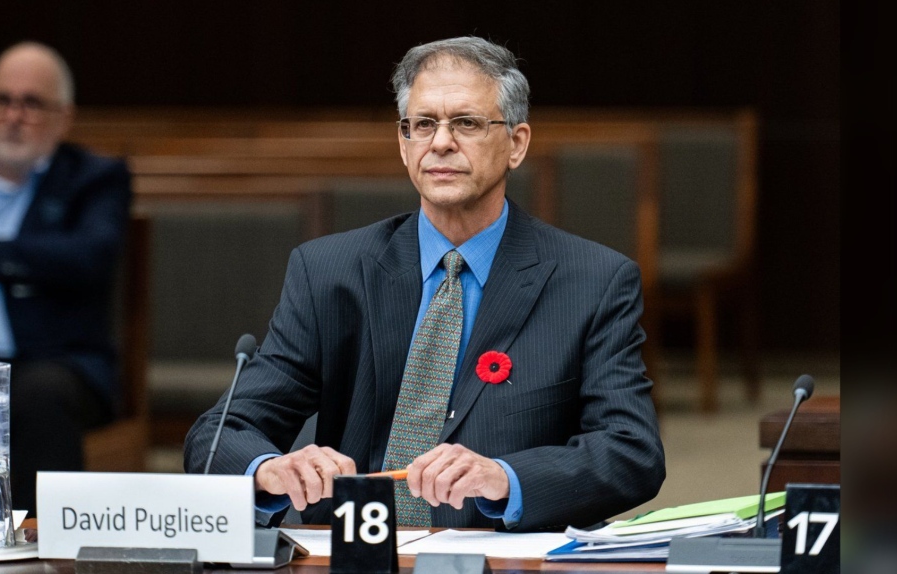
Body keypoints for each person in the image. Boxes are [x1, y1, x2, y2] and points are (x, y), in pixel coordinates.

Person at [185, 37, 664, 532]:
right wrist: (269, 469)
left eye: (467, 123)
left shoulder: (593, 280)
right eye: (423, 124)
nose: (440, 142)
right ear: (403, 143)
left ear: (517, 144)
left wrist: (505, 476)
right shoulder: (328, 271)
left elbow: (632, 452)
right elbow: (218, 436)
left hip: (496, 557)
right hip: (351, 554)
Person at [0, 42, 132, 516]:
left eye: (30, 103)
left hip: (50, 358)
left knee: (30, 396)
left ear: (64, 117)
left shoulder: (93, 179)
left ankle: (42, 541)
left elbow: (91, 256)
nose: (13, 115)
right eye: (2, 100)